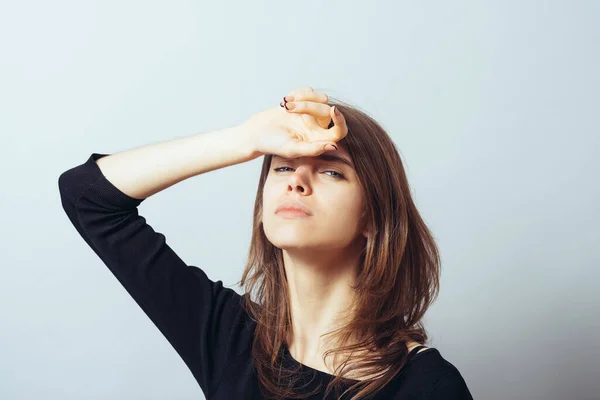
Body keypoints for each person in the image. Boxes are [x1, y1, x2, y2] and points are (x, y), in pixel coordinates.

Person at [58, 87, 473, 399]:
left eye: (331, 171)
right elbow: (87, 196)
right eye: (283, 166)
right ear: (262, 207)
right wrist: (245, 140)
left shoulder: (427, 386)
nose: (296, 180)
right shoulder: (229, 335)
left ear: (374, 218)